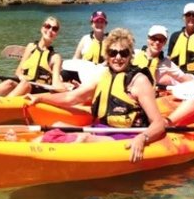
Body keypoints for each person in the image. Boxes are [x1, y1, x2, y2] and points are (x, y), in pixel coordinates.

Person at [25, 28, 169, 163]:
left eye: (123, 53)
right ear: (107, 55)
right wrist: (40, 97)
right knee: (56, 126)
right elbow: (71, 97)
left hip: (126, 134)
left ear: (130, 55)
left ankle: (37, 158)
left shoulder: (139, 81)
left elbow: (158, 123)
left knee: (84, 139)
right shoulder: (102, 76)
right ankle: (27, 150)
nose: (118, 57)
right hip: (101, 129)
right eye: (113, 53)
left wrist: (142, 138)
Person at [0, 16, 66, 97]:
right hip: (23, 85)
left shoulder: (55, 57)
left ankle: (3, 106)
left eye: (54, 29)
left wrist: (68, 89)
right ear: (42, 28)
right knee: (9, 82)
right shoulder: (30, 47)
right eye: (47, 26)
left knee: (25, 85)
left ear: (56, 34)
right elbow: (18, 71)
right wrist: (21, 77)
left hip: (38, 92)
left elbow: (56, 84)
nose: (50, 30)